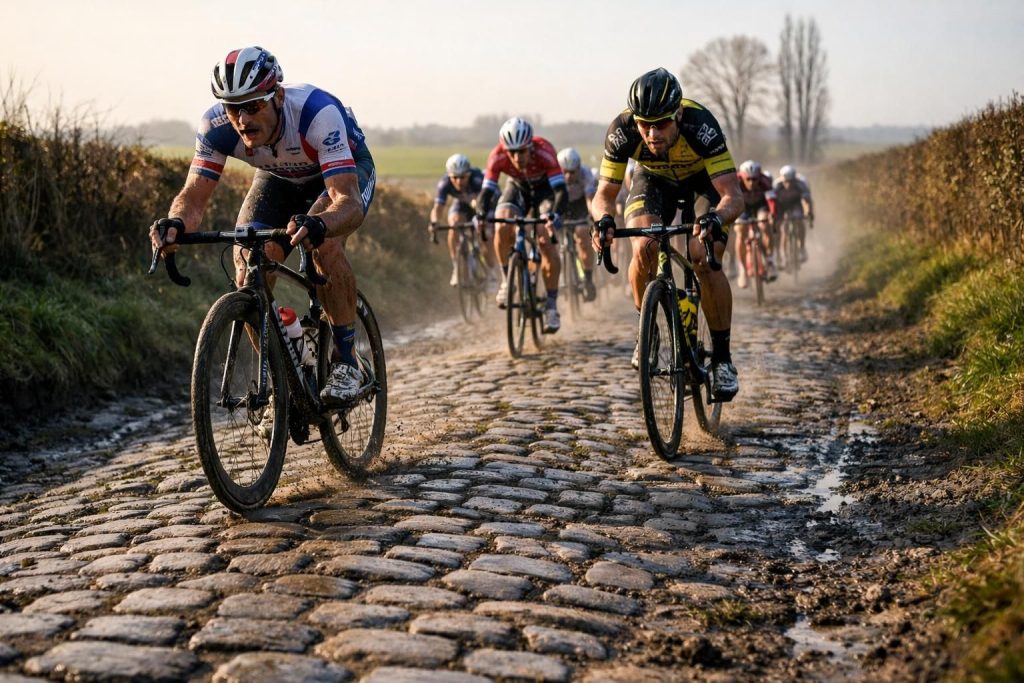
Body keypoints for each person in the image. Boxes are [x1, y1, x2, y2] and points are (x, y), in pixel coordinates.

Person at [149, 46, 376, 406]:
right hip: (278, 179)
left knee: (325, 245)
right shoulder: (217, 127)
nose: (242, 118)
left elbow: (346, 203)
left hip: (339, 174)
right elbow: (193, 196)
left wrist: (319, 224)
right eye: (232, 107)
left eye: (253, 105)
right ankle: (286, 369)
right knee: (250, 269)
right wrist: (175, 223)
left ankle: (347, 361)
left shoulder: (317, 115)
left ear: (278, 97)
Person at [591, 67, 743, 401]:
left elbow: (733, 194)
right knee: (644, 244)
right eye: (644, 124)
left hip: (703, 181)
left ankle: (722, 359)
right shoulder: (622, 131)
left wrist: (716, 218)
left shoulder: (700, 125)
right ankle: (649, 331)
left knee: (702, 256)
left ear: (678, 114)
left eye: (661, 123)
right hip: (652, 179)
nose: (652, 132)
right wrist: (603, 219)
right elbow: (603, 195)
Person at [475, 117, 568, 333]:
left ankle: (552, 306)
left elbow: (560, 191)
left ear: (531, 147)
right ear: (505, 149)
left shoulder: (545, 151)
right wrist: (480, 214)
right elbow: (486, 192)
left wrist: (554, 215)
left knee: (545, 240)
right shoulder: (497, 155)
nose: (518, 157)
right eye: (512, 152)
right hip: (518, 189)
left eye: (522, 151)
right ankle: (507, 280)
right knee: (502, 223)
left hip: (545, 191)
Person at [428, 153, 495, 287]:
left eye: (463, 177)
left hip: (483, 206)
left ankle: (491, 273)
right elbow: (438, 207)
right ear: (449, 176)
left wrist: (481, 215)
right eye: (455, 178)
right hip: (462, 205)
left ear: (469, 174)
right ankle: (456, 267)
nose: (459, 181)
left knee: (485, 235)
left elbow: (488, 199)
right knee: (454, 226)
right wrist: (434, 222)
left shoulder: (478, 179)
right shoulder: (444, 183)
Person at [557, 147, 598, 301]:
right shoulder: (552, 175)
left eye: (572, 172)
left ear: (578, 168)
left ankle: (587, 278)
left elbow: (589, 199)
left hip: (580, 205)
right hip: (561, 205)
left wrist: (593, 218)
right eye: (565, 171)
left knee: (582, 233)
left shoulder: (586, 174)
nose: (568, 176)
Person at [735, 159, 777, 288]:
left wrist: (772, 215)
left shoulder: (765, 181)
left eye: (755, 179)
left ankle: (770, 261)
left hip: (760, 206)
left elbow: (771, 201)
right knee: (740, 231)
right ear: (742, 176)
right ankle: (742, 270)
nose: (752, 183)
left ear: (759, 177)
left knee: (765, 225)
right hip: (743, 208)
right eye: (748, 179)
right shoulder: (735, 182)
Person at [773, 165, 815, 264]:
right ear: (782, 179)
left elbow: (806, 200)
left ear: (794, 179)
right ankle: (784, 255)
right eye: (786, 181)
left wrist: (808, 212)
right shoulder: (777, 185)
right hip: (782, 206)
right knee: (784, 229)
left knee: (800, 222)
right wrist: (775, 216)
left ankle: (802, 248)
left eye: (791, 181)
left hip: (796, 205)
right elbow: (773, 202)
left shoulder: (800, 184)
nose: (789, 184)